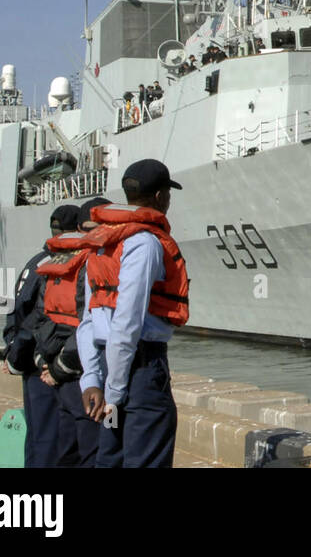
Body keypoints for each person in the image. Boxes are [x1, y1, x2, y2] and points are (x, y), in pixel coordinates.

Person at [77, 159, 190, 468]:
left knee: (110, 458)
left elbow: (88, 320)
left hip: (103, 367)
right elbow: (126, 325)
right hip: (139, 376)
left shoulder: (101, 245)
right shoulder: (146, 244)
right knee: (146, 459)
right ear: (159, 197)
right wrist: (113, 394)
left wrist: (92, 380)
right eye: (168, 193)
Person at [33, 196, 109, 467]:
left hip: (60, 378)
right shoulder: (99, 264)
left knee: (67, 452)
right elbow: (90, 325)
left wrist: (48, 365)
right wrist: (62, 367)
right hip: (87, 378)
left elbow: (41, 318)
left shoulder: (57, 262)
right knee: (95, 451)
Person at [3, 204, 79, 467]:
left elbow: (16, 310)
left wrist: (13, 354)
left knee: (36, 437)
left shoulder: (35, 261)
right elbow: (40, 319)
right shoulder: (60, 265)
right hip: (44, 364)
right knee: (50, 440)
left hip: (28, 360)